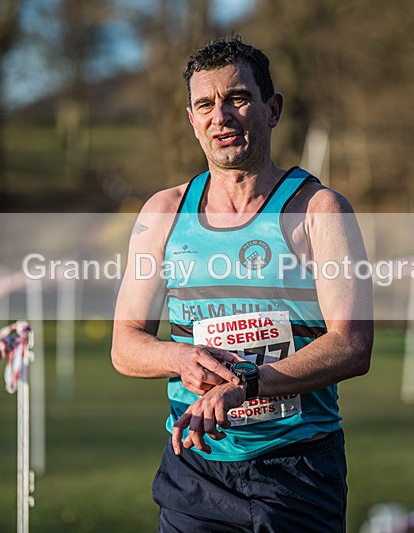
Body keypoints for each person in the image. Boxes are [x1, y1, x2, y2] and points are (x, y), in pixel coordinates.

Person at [111, 35, 373, 532]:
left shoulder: (319, 211)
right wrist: (178, 357)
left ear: (272, 109)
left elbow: (353, 345)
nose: (221, 117)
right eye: (205, 105)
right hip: (196, 467)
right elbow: (125, 345)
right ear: (192, 120)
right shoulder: (163, 214)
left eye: (237, 98)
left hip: (297, 466)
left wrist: (247, 385)